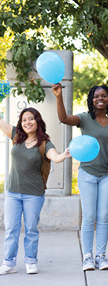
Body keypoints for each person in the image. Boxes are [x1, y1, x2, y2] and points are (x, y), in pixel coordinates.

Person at [52, 84, 108, 271]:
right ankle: (88, 257)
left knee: (104, 217)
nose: (100, 98)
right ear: (91, 99)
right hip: (88, 174)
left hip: (107, 174)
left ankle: (101, 256)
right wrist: (59, 96)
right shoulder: (84, 119)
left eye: (104, 95)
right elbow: (63, 118)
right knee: (89, 217)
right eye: (96, 96)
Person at [0, 108, 71, 275]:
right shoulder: (16, 135)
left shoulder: (45, 143)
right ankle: (9, 262)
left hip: (33, 194)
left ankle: (31, 261)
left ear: (37, 121)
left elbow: (55, 157)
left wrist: (64, 155)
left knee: (31, 228)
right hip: (12, 192)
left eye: (31, 119)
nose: (27, 122)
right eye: (24, 120)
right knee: (11, 228)